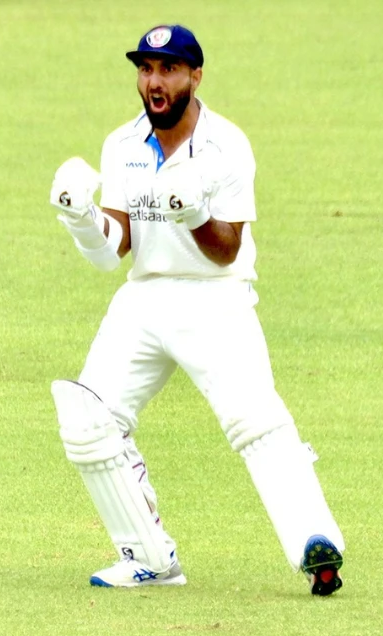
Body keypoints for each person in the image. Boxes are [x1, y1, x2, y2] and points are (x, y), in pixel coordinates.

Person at [47, 24, 346, 594]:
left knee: (254, 419)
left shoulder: (227, 144)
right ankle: (150, 561)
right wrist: (81, 219)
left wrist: (194, 216)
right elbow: (116, 252)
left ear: (194, 76)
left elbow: (226, 249)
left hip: (216, 298)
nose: (153, 82)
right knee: (89, 420)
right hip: (145, 296)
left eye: (167, 70)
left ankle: (317, 547)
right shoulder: (122, 144)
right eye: (145, 69)